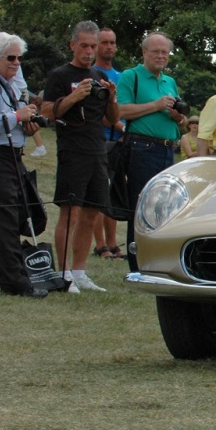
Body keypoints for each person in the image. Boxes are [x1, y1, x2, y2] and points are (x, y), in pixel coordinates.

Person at [41, 21, 120, 292]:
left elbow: (113, 121)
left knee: (91, 213)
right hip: (72, 151)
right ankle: (63, 273)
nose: (89, 51)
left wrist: (111, 98)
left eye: (93, 46)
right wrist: (74, 96)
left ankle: (80, 271)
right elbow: (49, 112)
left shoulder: (99, 75)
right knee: (71, 212)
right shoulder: (59, 75)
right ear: (73, 45)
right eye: (84, 45)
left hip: (97, 150)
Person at [118, 31, 188, 271]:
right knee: (140, 206)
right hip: (142, 148)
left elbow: (179, 121)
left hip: (168, 149)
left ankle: (160, 260)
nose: (160, 56)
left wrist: (178, 117)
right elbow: (121, 111)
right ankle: (136, 263)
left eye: (165, 52)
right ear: (144, 53)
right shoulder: (131, 76)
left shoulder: (169, 82)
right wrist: (156, 105)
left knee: (165, 207)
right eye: (155, 51)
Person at [0, 32, 48, 298]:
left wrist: (27, 125)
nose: (16, 63)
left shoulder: (12, 84)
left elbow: (13, 123)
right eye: (10, 58)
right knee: (5, 216)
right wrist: (17, 116)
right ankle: (15, 282)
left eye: (19, 58)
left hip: (13, 154)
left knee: (14, 213)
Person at [91, 27, 126, 260]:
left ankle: (113, 244)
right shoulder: (91, 73)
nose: (109, 47)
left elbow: (121, 106)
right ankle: (100, 245)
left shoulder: (121, 77)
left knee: (112, 190)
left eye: (112, 42)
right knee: (98, 192)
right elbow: (98, 111)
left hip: (117, 143)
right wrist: (120, 125)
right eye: (104, 42)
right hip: (98, 138)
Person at [11, 67, 47, 157]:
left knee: (28, 120)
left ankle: (40, 147)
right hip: (18, 91)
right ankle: (40, 146)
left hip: (18, 93)